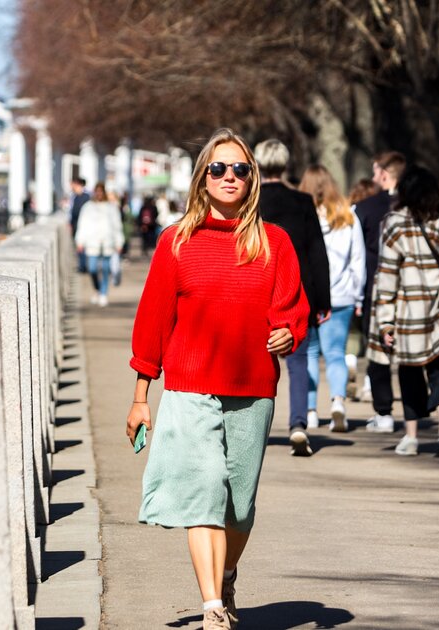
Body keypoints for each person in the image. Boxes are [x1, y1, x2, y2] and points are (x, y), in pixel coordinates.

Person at [127, 128, 309, 629]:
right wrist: (142, 396)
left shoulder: (274, 242)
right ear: (203, 177)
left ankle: (227, 571)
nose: (230, 177)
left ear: (253, 179)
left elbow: (292, 309)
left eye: (240, 169)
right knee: (203, 489)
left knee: (240, 507)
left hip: (252, 386)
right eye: (219, 169)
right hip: (189, 386)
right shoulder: (177, 241)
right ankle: (213, 607)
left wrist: (286, 334)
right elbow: (153, 320)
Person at [367, 165, 439, 462]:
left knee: (410, 375)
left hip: (408, 312)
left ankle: (411, 437)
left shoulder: (395, 225)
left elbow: (387, 277)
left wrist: (385, 322)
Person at [255, 139, 332, 457]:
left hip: (257, 290)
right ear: (286, 165)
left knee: (255, 363)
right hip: (297, 291)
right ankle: (298, 423)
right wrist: (322, 300)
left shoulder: (251, 199)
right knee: (298, 363)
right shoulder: (302, 201)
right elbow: (317, 252)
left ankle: (251, 427)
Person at [298, 165, 366, 432]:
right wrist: (358, 294)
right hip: (342, 294)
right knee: (336, 353)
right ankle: (338, 402)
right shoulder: (348, 216)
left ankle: (311, 411)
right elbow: (357, 260)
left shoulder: (302, 216)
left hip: (309, 295)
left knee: (310, 354)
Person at [354, 151, 407, 433]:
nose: (373, 179)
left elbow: (358, 256)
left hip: (376, 288)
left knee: (378, 354)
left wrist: (358, 294)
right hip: (411, 289)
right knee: (411, 354)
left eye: (376, 172)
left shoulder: (364, 209)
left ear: (385, 174)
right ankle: (417, 412)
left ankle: (384, 412)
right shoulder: (416, 206)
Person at [74, 183, 124, 307]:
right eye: (98, 191)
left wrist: (119, 241)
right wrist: (80, 241)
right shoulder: (88, 207)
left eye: (101, 191)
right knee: (92, 268)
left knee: (106, 269)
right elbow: (82, 224)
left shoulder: (111, 207)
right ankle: (97, 288)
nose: (99, 194)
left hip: (108, 242)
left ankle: (103, 293)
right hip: (92, 242)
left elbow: (117, 226)